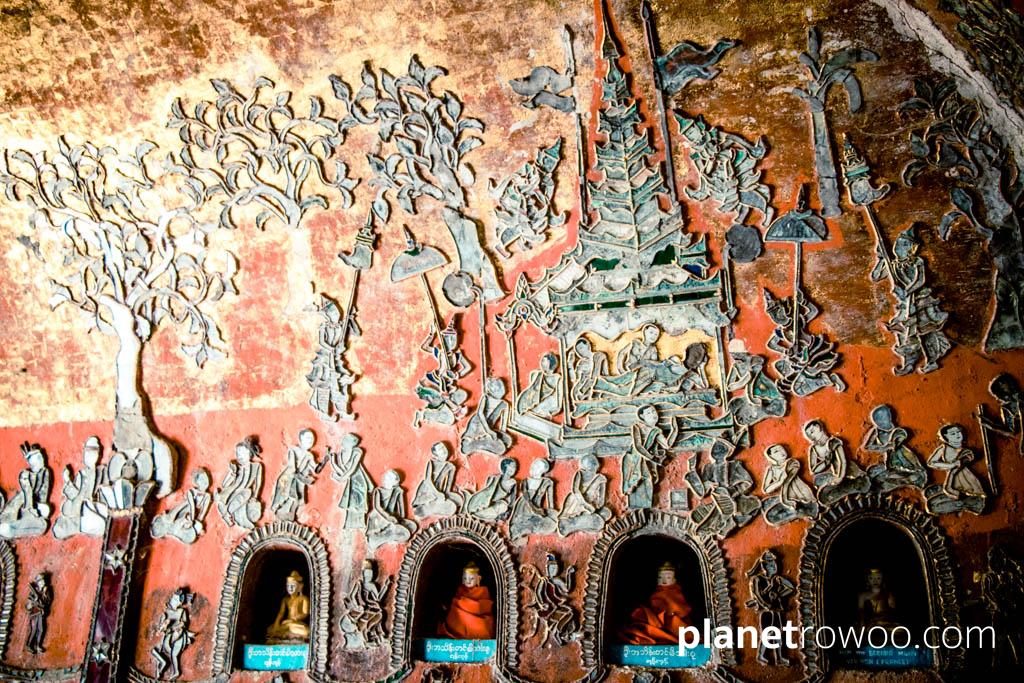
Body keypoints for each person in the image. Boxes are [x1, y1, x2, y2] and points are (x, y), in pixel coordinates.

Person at [618, 562, 692, 645]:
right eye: (661, 577)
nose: (664, 580)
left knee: (676, 623)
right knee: (639, 614)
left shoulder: (677, 592)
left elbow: (681, 608)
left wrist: (671, 613)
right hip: (656, 620)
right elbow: (654, 606)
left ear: (674, 580)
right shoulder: (657, 592)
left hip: (672, 621)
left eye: (668, 577)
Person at [622, 405, 677, 510]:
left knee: (648, 482)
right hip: (635, 460)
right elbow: (638, 446)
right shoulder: (637, 427)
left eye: (654, 412)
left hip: (647, 462)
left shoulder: (656, 430)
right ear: (642, 417)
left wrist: (674, 429)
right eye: (649, 413)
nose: (653, 414)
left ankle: (645, 509)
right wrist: (653, 458)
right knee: (635, 483)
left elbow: (667, 445)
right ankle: (635, 509)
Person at [803, 419, 870, 505]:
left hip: (848, 472)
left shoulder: (833, 442)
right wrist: (826, 462)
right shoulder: (814, 448)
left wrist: (839, 478)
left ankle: (853, 487)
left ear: (818, 427)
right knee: (817, 480)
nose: (811, 437)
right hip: (834, 472)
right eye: (809, 435)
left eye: (812, 432)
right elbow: (813, 469)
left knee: (852, 481)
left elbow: (842, 462)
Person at [924, 424, 987, 514]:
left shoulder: (966, 452)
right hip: (952, 479)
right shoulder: (943, 448)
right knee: (929, 495)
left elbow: (959, 465)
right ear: (945, 437)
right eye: (953, 434)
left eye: (958, 432)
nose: (957, 435)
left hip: (965, 481)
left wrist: (954, 466)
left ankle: (972, 503)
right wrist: (950, 465)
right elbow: (931, 462)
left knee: (933, 505)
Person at [746, 550, 794, 665]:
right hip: (766, 611)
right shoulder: (757, 579)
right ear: (764, 566)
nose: (774, 566)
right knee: (767, 634)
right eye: (771, 564)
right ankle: (761, 656)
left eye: (775, 564)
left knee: (778, 634)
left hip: (776, 610)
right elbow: (757, 595)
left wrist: (779, 594)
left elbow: (791, 588)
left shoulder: (777, 579)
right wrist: (765, 604)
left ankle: (779, 658)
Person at [863, 405, 927, 492]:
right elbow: (867, 446)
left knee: (912, 472)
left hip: (902, 456)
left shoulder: (898, 432)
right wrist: (884, 447)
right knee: (877, 477)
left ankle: (909, 479)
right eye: (878, 419)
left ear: (889, 417)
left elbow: (895, 445)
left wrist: (887, 447)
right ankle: (900, 480)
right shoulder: (876, 431)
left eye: (883, 418)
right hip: (889, 460)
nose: (881, 421)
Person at [151, 469, 212, 544]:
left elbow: (201, 511)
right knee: (174, 518)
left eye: (204, 480)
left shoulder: (204, 496)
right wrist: (191, 519)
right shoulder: (192, 493)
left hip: (188, 519)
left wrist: (195, 521)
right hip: (186, 518)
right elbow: (185, 506)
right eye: (201, 480)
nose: (204, 482)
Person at [761, 444, 818, 525]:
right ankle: (794, 512)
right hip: (786, 498)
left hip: (800, 494)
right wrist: (779, 482)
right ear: (771, 456)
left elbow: (787, 482)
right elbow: (766, 489)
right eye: (776, 451)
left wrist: (786, 501)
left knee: (808, 507)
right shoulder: (771, 469)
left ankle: (804, 511)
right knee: (768, 509)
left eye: (781, 449)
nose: (781, 452)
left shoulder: (792, 463)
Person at [215, 436, 264, 529]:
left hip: (244, 493)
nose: (239, 456)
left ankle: (226, 513)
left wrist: (255, 496)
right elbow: (224, 485)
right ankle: (225, 512)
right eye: (237, 453)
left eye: (242, 453)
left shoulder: (256, 466)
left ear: (250, 454)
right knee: (221, 498)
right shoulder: (235, 466)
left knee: (247, 492)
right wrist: (232, 473)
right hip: (231, 491)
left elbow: (258, 483)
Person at [439, 561, 496, 639]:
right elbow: (456, 603)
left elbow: (483, 607)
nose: (468, 581)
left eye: (471, 578)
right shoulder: (460, 590)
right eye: (465, 578)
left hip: (478, 619)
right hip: (461, 618)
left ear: (478, 579)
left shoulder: (483, 591)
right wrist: (459, 603)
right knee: (455, 612)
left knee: (485, 625)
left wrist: (466, 604)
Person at [271, 429, 319, 522]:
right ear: (300, 438)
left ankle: (290, 517)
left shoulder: (310, 456)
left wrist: (326, 459)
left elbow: (315, 469)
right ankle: (279, 515)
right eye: (308, 438)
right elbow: (292, 466)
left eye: (312, 439)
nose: (310, 441)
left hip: (298, 480)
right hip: (288, 477)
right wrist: (301, 477)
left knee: (296, 499)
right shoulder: (293, 449)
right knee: (285, 496)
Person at [557, 454, 611, 535]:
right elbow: (575, 491)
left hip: (592, 506)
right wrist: (586, 505)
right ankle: (570, 523)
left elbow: (601, 501)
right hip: (577, 502)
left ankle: (582, 523)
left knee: (606, 513)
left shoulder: (600, 478)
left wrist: (595, 507)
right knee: (575, 513)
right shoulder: (580, 474)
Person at [151, 588, 196, 680]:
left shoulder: (181, 612)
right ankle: (163, 662)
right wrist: (164, 625)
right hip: (167, 636)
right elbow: (160, 629)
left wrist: (173, 628)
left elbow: (183, 624)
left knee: (174, 654)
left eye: (176, 600)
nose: (173, 601)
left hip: (178, 636)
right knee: (154, 651)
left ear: (180, 603)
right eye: (173, 599)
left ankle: (176, 671)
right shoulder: (166, 612)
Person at [366, 470, 416, 550]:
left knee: (412, 526)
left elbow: (401, 510)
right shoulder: (378, 491)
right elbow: (377, 507)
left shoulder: (397, 491)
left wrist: (400, 520)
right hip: (379, 519)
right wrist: (389, 517)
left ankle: (392, 533)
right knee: (401, 530)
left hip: (394, 519)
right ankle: (379, 538)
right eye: (387, 479)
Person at [330, 433, 372, 529]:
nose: (343, 441)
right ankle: (350, 526)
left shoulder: (357, 452)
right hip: (350, 482)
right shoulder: (341, 454)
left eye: (346, 440)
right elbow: (343, 471)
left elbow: (352, 470)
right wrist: (333, 461)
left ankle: (360, 525)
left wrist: (341, 478)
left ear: (352, 443)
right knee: (350, 505)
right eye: (344, 439)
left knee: (358, 504)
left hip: (359, 482)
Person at [412, 442, 463, 518]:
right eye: (440, 449)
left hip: (441, 494)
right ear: (435, 453)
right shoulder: (431, 463)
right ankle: (425, 508)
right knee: (451, 507)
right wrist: (437, 494)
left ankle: (436, 505)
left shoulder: (450, 466)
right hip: (428, 492)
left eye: (444, 447)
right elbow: (427, 481)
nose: (444, 450)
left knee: (459, 500)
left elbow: (448, 486)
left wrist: (445, 496)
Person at [509, 458, 558, 538]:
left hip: (538, 509)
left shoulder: (547, 482)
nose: (533, 467)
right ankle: (522, 528)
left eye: (537, 466)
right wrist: (533, 508)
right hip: (524, 506)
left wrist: (551, 513)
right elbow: (525, 495)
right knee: (521, 524)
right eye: (534, 465)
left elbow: (550, 501)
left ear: (542, 471)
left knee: (553, 521)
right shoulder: (525, 481)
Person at [266, 571, 311, 642]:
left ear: (300, 587)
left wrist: (294, 618)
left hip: (296, 623)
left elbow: (305, 613)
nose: (290, 588)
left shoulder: (303, 598)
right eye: (288, 585)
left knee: (306, 631)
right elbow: (281, 613)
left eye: (293, 585)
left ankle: (286, 635)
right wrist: (276, 623)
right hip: (286, 623)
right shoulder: (285, 599)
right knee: (270, 629)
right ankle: (285, 634)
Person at [517, 352, 563, 418]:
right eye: (543, 361)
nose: (543, 363)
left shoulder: (557, 378)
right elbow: (531, 392)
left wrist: (551, 411)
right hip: (533, 405)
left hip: (548, 405)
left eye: (545, 361)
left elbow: (558, 401)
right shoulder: (535, 374)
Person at [857, 568, 899, 632]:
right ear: (867, 580)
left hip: (885, 622)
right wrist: (863, 622)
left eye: (878, 578)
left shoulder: (888, 594)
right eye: (871, 578)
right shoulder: (863, 595)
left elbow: (893, 611)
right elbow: (861, 611)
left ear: (882, 579)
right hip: (870, 622)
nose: (875, 581)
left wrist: (882, 618)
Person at [26, 573, 51, 655]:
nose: (43, 582)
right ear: (38, 582)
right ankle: (29, 645)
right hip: (34, 613)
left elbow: (47, 602)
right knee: (33, 630)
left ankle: (37, 645)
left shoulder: (45, 591)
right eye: (41, 581)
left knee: (41, 630)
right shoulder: (34, 591)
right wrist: (34, 602)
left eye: (43, 580)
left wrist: (44, 594)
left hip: (41, 613)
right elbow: (28, 604)